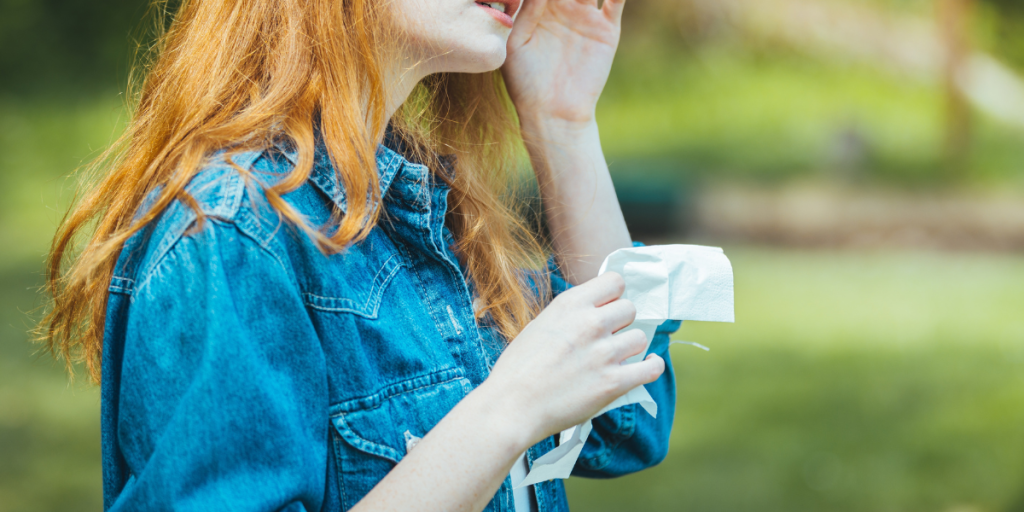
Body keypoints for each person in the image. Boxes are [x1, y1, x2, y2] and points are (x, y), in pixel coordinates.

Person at [40, 0, 681, 510]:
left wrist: (563, 121)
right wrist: (507, 410)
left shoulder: (426, 204)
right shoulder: (228, 232)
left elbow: (628, 423)